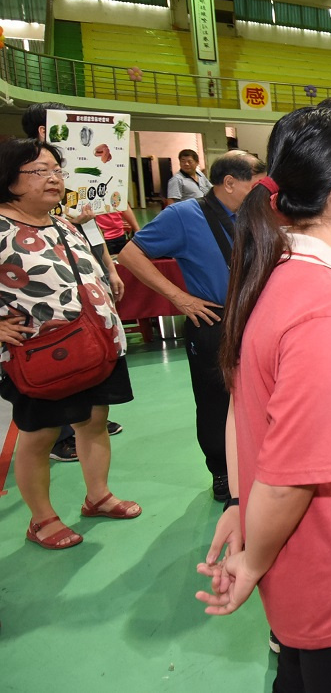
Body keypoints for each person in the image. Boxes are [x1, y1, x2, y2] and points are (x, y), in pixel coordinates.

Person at [195, 98, 331, 690]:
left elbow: (245, 409)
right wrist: (252, 558)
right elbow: (293, 473)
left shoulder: (283, 273)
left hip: (304, 563)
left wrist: (242, 507)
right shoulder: (327, 308)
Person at [0, 139, 140, 550]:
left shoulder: (63, 221)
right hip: (41, 355)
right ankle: (41, 520)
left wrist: (108, 273)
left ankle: (98, 496)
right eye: (40, 171)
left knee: (94, 422)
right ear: (9, 180)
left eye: (57, 170)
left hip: (96, 345)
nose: (54, 178)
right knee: (39, 436)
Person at [118, 151, 265, 502]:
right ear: (229, 183)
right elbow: (130, 254)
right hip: (214, 319)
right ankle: (222, 471)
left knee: (258, 395)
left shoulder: (255, 214)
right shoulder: (184, 215)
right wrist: (179, 298)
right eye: (254, 184)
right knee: (215, 399)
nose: (262, 192)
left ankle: (256, 464)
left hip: (257, 317)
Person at [20, 100, 124, 457]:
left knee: (92, 337)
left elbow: (88, 224)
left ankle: (87, 416)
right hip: (44, 295)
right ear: (42, 130)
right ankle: (62, 431)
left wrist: (108, 267)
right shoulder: (24, 181)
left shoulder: (74, 172)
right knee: (58, 350)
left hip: (85, 271)